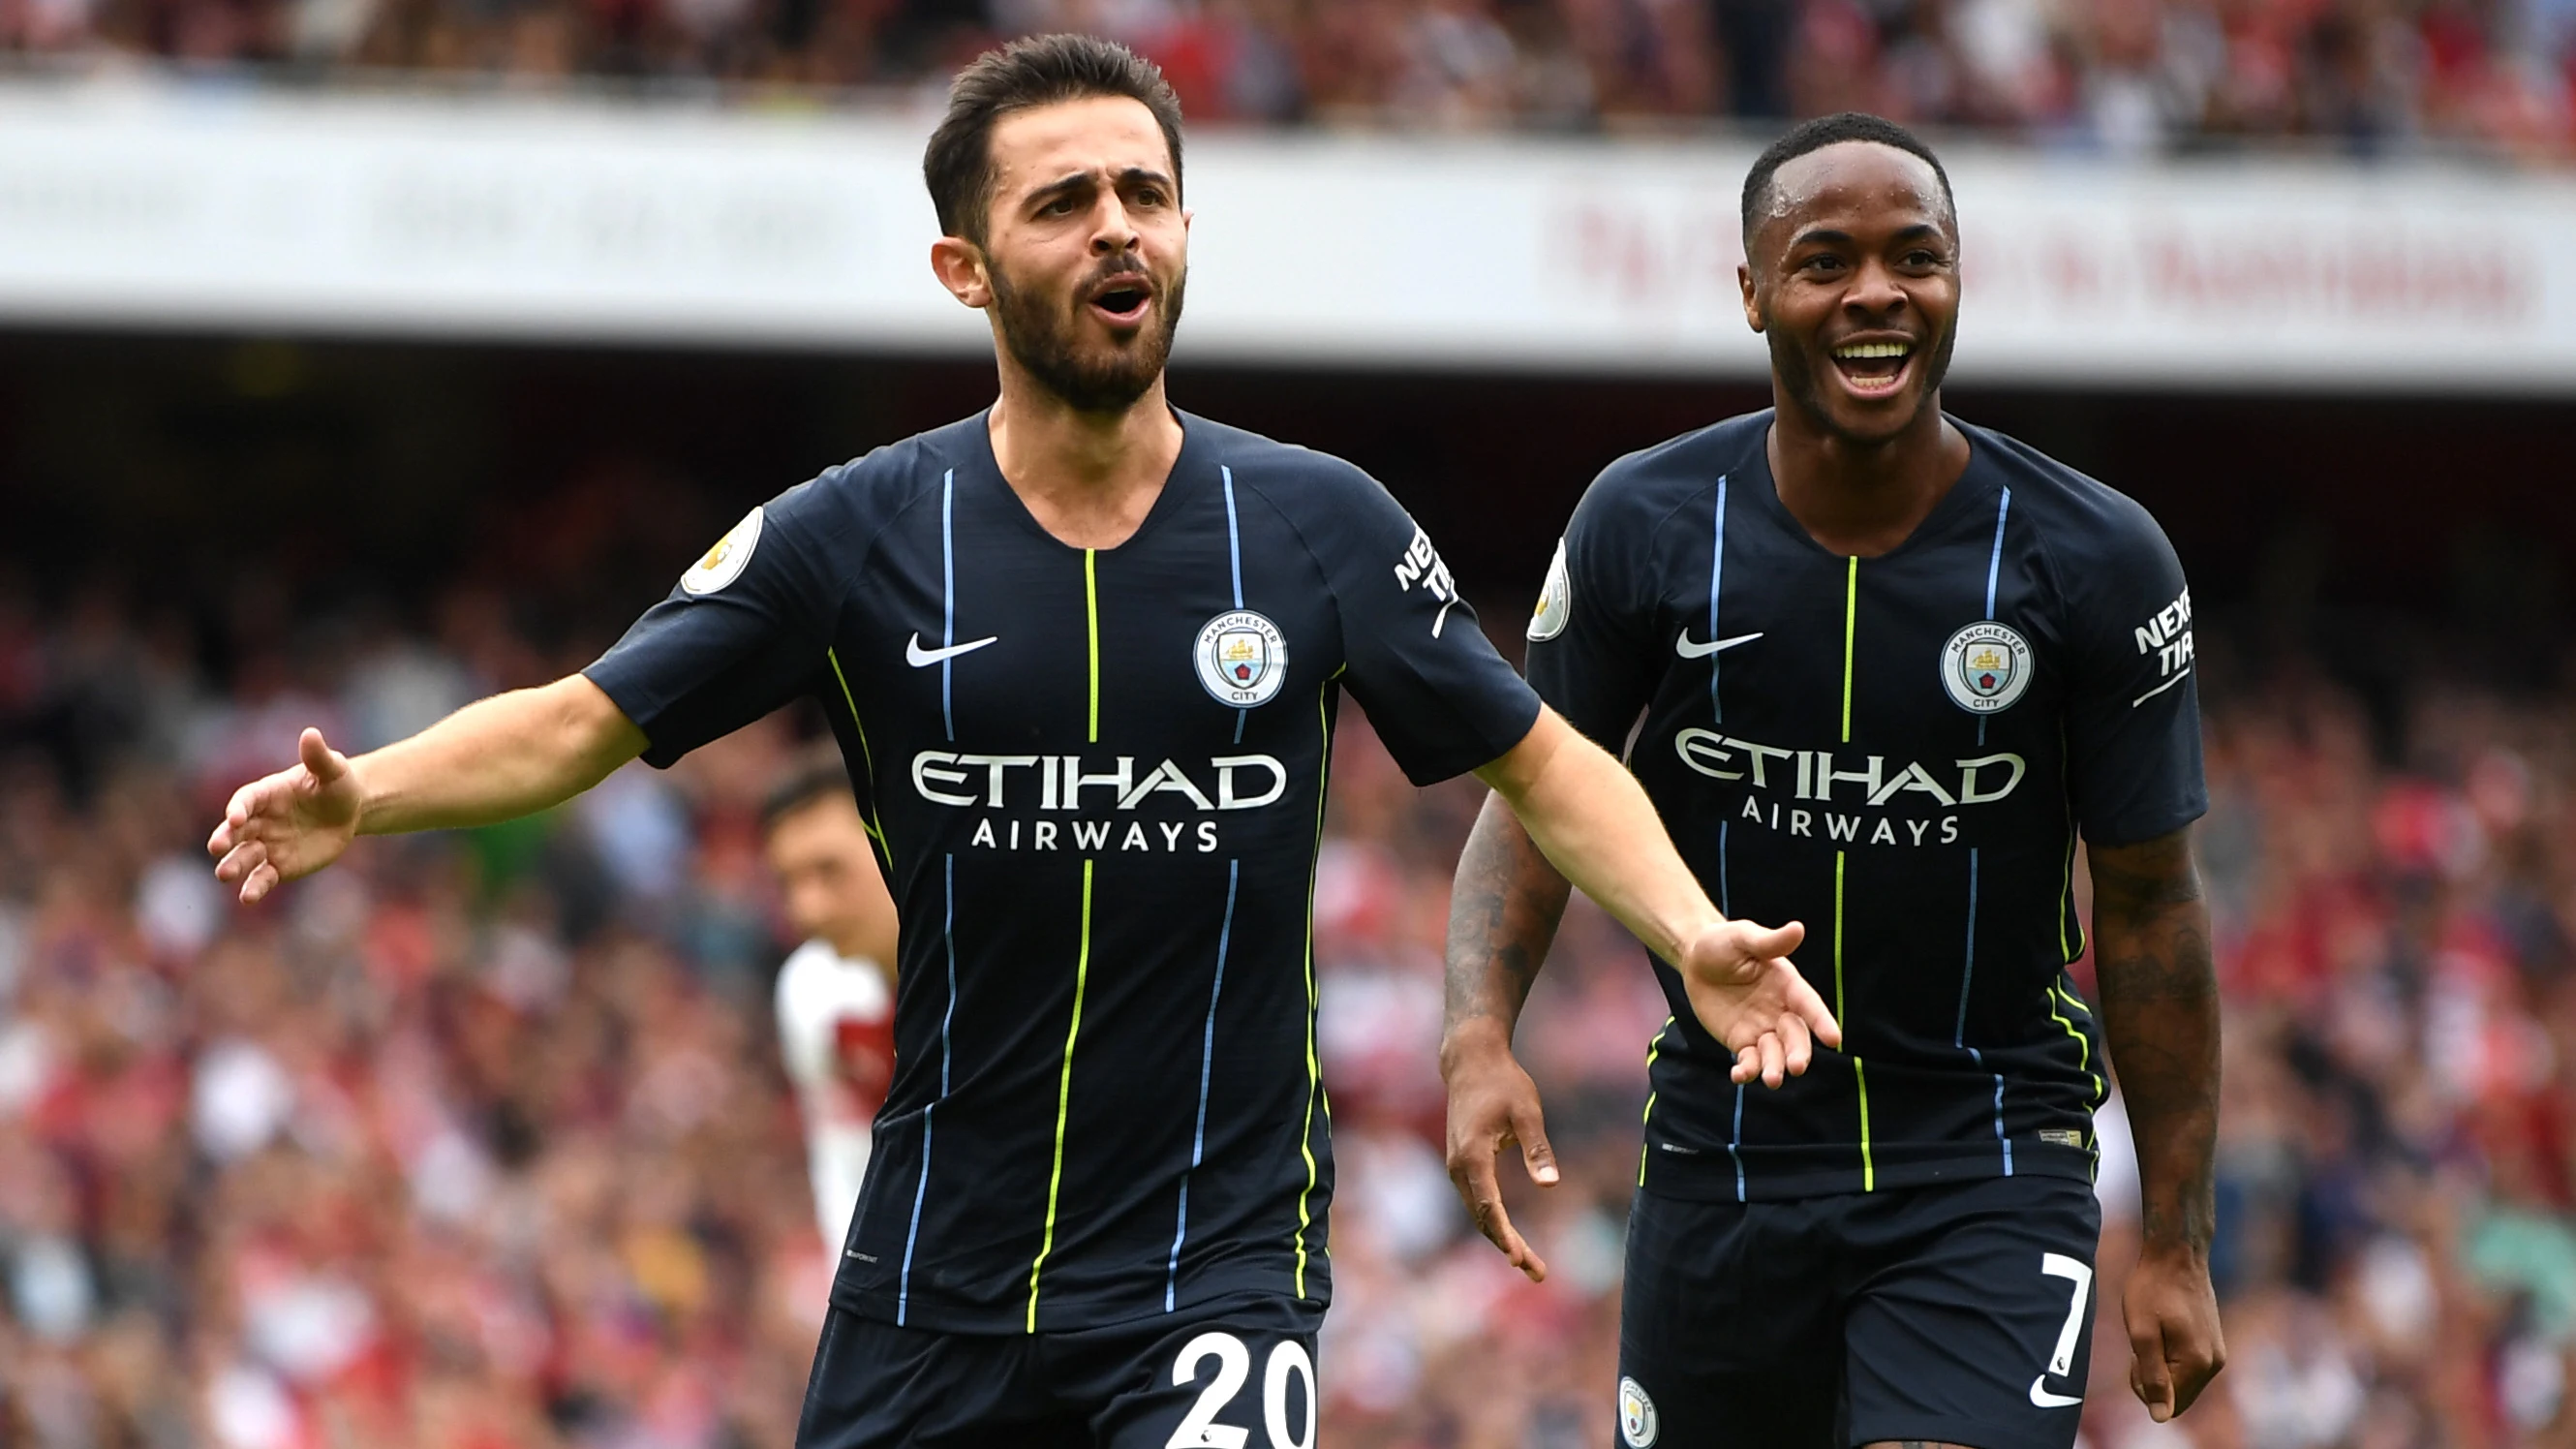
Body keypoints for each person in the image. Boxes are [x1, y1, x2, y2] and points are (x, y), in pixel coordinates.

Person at [206, 36, 1836, 1449]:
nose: (1115, 226)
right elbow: (583, 718)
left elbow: (1543, 762)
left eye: (1143, 191)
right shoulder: (854, 534)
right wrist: (375, 802)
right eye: (1061, 203)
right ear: (965, 270)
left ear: (1188, 231)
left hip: (1218, 1269)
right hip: (933, 1274)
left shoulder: (1320, 527)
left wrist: (1688, 931)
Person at [1439, 111, 2225, 1449]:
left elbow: (2151, 909)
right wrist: (1474, 1036)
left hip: (1988, 1151)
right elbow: (1537, 797)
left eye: (1914, 259)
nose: (1875, 293)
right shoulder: (1644, 522)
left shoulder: (2096, 558)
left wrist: (2181, 1239)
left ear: (1957, 281)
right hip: (1722, 1150)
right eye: (1823, 262)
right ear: (1752, 292)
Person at [763, 755, 902, 1256]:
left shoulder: (1008, 971)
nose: (806, 910)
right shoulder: (813, 993)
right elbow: (847, 1166)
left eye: (829, 871)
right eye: (788, 883)